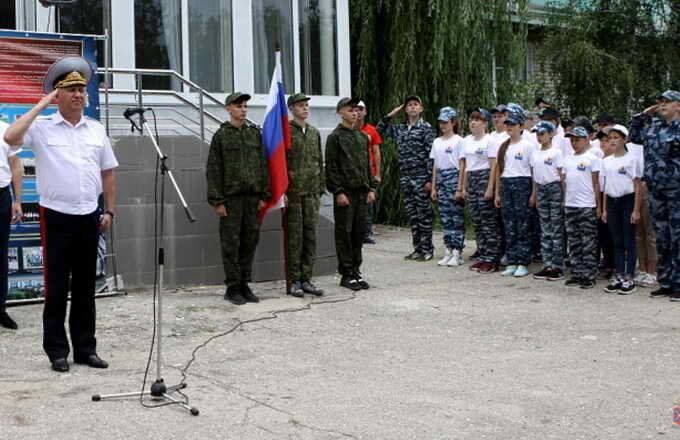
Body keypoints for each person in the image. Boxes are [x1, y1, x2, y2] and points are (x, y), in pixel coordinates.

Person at [4, 57, 118, 372]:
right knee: (56, 288)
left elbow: (108, 173)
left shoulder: (95, 129)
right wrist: (41, 105)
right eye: (71, 90)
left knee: (85, 288)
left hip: (89, 216)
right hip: (56, 217)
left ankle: (85, 349)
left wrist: (108, 209)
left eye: (82, 89)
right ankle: (56, 351)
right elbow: (10, 138)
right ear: (58, 95)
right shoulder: (41, 128)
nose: (79, 94)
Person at [207, 92, 271, 305]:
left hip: (252, 198)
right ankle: (232, 286)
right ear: (228, 109)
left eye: (245, 106)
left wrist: (264, 194)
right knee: (231, 244)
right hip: (231, 200)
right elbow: (214, 170)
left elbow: (263, 164)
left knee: (249, 241)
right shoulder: (221, 136)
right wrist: (217, 201)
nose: (243, 109)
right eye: (238, 106)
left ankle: (244, 283)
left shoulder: (254, 134)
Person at [629, 90, 680, 301]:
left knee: (677, 237)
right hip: (656, 190)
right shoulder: (654, 128)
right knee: (662, 237)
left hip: (676, 190)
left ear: (678, 105)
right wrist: (644, 114)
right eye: (660, 102)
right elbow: (634, 135)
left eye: (667, 101)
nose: (662, 105)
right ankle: (666, 281)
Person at [325, 97, 376, 290]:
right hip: (345, 192)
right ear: (340, 113)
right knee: (344, 233)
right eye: (349, 110)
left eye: (356, 110)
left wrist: (371, 187)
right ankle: (346, 273)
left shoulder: (362, 137)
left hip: (361, 193)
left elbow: (366, 165)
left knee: (359, 232)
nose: (354, 113)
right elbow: (332, 167)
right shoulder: (335, 137)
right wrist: (338, 191)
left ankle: (356, 270)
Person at [377, 95, 435, 261]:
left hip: (421, 177)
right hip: (406, 177)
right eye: (409, 105)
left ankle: (427, 249)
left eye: (416, 104)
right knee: (413, 215)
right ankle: (417, 249)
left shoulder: (426, 128)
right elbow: (379, 131)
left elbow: (431, 155)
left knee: (424, 214)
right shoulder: (400, 128)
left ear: (421, 109)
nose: (412, 107)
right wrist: (391, 114)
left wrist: (430, 179)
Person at [284, 93, 325, 298]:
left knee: (310, 237)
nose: (305, 109)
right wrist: (282, 191)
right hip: (293, 193)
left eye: (307, 105)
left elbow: (319, 161)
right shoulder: (286, 132)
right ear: (291, 108)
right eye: (300, 106)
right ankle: (295, 280)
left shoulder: (314, 132)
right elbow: (280, 163)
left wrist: (320, 188)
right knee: (295, 238)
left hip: (312, 192)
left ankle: (307, 278)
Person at [600, 125, 641, 295]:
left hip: (627, 201)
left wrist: (636, 209)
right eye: (610, 138)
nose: (613, 141)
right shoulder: (606, 161)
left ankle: (629, 276)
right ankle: (618, 274)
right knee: (616, 241)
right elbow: (605, 187)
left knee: (628, 241)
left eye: (617, 137)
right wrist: (604, 209)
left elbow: (637, 185)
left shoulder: (631, 160)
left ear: (625, 139)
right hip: (612, 202)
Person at [494, 105, 534, 277]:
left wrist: (533, 193)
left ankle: (522, 261)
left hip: (522, 184)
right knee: (508, 224)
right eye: (507, 123)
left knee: (522, 224)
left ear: (521, 127)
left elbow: (533, 171)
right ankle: (511, 260)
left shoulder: (528, 145)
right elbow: (499, 170)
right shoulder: (504, 146)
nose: (509, 127)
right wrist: (497, 193)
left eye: (513, 124)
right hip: (506, 184)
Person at [460, 108, 501, 273]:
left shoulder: (490, 141)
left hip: (484, 178)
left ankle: (492, 259)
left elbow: (494, 166)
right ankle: (482, 255)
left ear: (485, 123)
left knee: (488, 222)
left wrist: (490, 188)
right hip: (472, 179)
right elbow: (465, 166)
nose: (473, 123)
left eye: (477, 120)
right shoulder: (466, 141)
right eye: (471, 119)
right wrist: (463, 187)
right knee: (477, 221)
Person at [561, 126, 602, 289]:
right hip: (571, 204)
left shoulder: (592, 158)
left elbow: (596, 183)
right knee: (574, 240)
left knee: (588, 241)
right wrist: (565, 200)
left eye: (577, 140)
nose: (574, 143)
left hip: (587, 205)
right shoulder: (568, 159)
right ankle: (577, 272)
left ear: (586, 140)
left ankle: (589, 274)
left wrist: (598, 206)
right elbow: (565, 182)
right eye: (572, 140)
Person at [529, 121, 565, 281]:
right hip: (541, 189)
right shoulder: (535, 153)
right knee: (545, 228)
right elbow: (535, 176)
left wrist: (564, 196)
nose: (539, 137)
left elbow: (561, 176)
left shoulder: (556, 152)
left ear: (550, 134)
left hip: (554, 188)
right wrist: (534, 195)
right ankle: (547, 263)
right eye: (537, 134)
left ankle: (557, 265)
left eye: (542, 134)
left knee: (556, 227)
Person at [429, 107, 465, 266]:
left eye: (446, 122)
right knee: (445, 218)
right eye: (441, 122)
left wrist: (460, 187)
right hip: (442, 180)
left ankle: (457, 252)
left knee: (456, 217)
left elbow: (462, 165)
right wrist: (433, 187)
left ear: (453, 122)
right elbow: (435, 166)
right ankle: (448, 250)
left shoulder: (459, 141)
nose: (443, 125)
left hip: (454, 177)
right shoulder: (437, 142)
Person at [0, 120, 23, 329]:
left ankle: (1, 309)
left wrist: (17, 200)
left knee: (1, 255)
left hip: (2, 197)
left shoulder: (7, 130)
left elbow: (15, 165)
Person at [356, 100, 382, 244]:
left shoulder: (371, 130)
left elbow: (377, 152)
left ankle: (366, 232)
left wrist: (377, 173)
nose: (358, 113)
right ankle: (357, 232)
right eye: (356, 109)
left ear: (365, 112)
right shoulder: (349, 129)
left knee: (368, 202)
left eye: (361, 109)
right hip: (354, 173)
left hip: (369, 172)